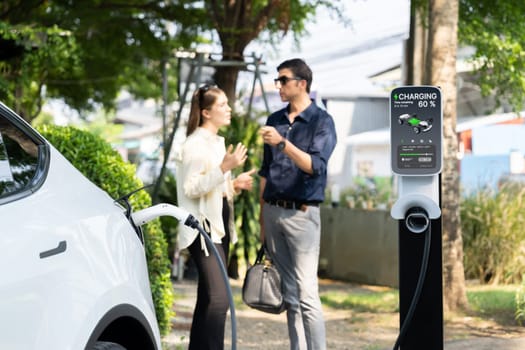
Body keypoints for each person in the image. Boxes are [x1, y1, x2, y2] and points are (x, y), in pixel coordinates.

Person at [258, 58, 337, 350]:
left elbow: (314, 166)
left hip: (302, 216)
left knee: (307, 293)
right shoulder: (274, 120)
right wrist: (261, 220)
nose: (278, 85)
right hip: (273, 212)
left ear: (301, 84)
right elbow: (265, 172)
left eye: (283, 80)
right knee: (289, 294)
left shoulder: (322, 121)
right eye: (277, 80)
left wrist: (282, 143)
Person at [175, 84, 255, 350]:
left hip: (217, 227)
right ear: (207, 112)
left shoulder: (214, 142)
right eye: (222, 105)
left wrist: (233, 184)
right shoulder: (196, 143)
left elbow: (211, 189)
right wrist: (224, 167)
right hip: (202, 229)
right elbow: (191, 187)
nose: (228, 109)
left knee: (209, 299)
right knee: (219, 300)